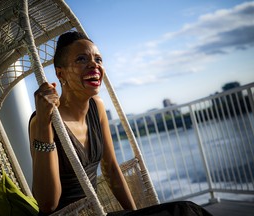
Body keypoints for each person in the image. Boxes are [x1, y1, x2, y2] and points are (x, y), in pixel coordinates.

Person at [28, 31, 212, 216]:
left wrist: (136, 213)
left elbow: (111, 170)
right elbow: (47, 204)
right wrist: (45, 124)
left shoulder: (97, 106)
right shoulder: (44, 120)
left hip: (96, 212)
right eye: (82, 59)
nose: (94, 64)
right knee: (184, 211)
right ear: (60, 73)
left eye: (98, 59)